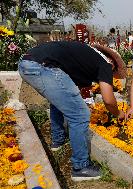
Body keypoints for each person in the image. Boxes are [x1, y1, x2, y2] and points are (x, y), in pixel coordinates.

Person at [18, 41, 126, 181]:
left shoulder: (88, 56)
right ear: (113, 64)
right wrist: (118, 113)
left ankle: (58, 141)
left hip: (27, 62)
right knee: (80, 115)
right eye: (114, 75)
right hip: (42, 66)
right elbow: (109, 100)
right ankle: (81, 168)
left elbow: (70, 87)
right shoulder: (105, 64)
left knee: (58, 102)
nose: (111, 78)